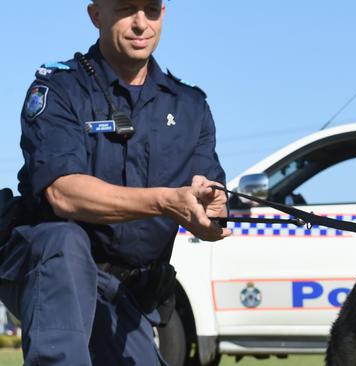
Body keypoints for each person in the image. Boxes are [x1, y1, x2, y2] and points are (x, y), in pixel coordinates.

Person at [0, 0, 231, 364]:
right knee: (64, 238)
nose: (141, 23)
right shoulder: (60, 89)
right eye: (126, 9)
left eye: (151, 10)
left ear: (163, 14)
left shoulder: (190, 107)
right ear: (96, 15)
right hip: (50, 268)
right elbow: (63, 193)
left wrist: (212, 209)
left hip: (125, 293)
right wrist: (165, 201)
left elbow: (210, 197)